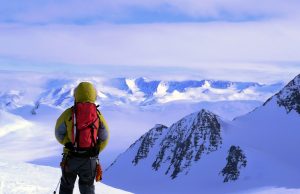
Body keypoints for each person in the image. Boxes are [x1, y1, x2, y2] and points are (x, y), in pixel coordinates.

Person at [55, 82, 109, 194]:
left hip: (71, 157)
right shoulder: (98, 114)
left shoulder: (69, 113)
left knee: (66, 186)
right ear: (94, 95)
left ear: (76, 95)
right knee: (87, 187)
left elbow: (58, 133)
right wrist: (96, 149)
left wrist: (68, 143)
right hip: (90, 160)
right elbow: (105, 137)